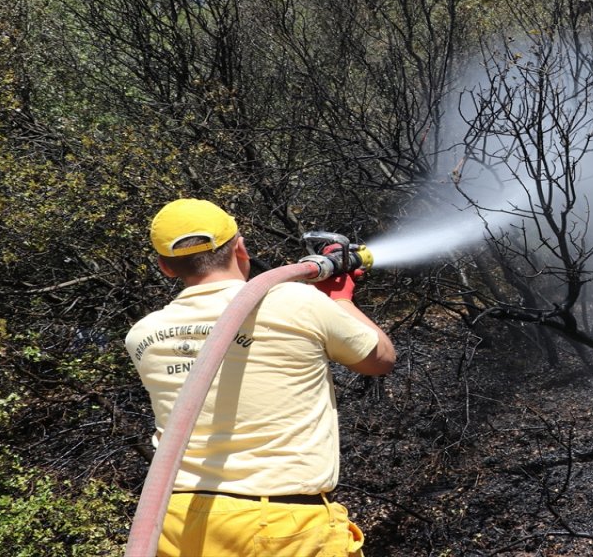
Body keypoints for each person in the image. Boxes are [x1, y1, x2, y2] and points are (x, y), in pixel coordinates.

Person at [124, 198, 395, 556]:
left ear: (165, 267)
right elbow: (379, 359)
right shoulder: (296, 302)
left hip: (177, 521)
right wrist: (341, 301)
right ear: (240, 247)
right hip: (282, 525)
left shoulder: (142, 334)